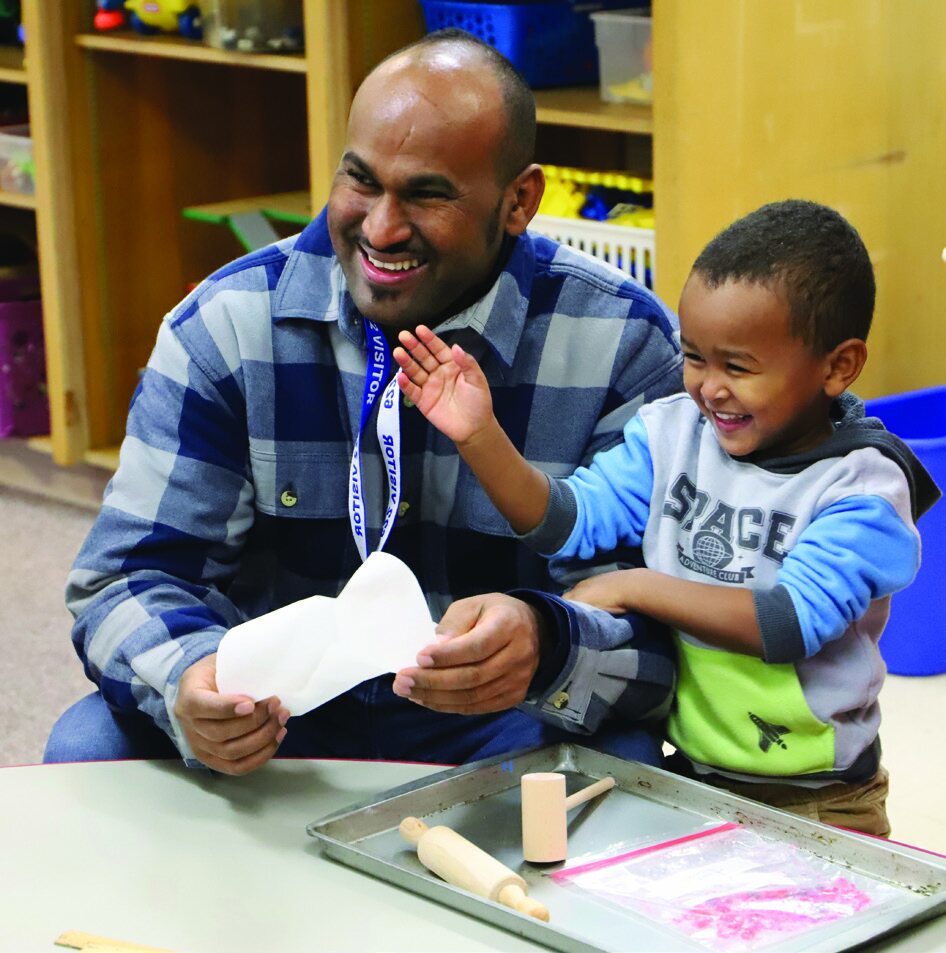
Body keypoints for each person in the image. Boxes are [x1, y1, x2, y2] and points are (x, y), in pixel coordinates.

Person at [45, 29, 684, 774]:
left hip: (501, 730)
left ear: (520, 202)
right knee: (89, 748)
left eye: (426, 193)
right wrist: (190, 677)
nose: (380, 229)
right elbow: (124, 574)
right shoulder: (226, 323)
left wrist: (549, 645)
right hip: (283, 728)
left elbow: (663, 635)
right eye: (361, 181)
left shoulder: (624, 342)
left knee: (631, 763)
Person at [393, 198, 941, 836]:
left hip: (820, 800)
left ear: (837, 367)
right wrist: (480, 437)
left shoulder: (862, 488)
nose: (709, 387)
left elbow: (787, 624)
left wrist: (635, 587)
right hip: (692, 775)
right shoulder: (674, 434)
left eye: (738, 366)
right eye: (695, 357)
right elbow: (568, 520)